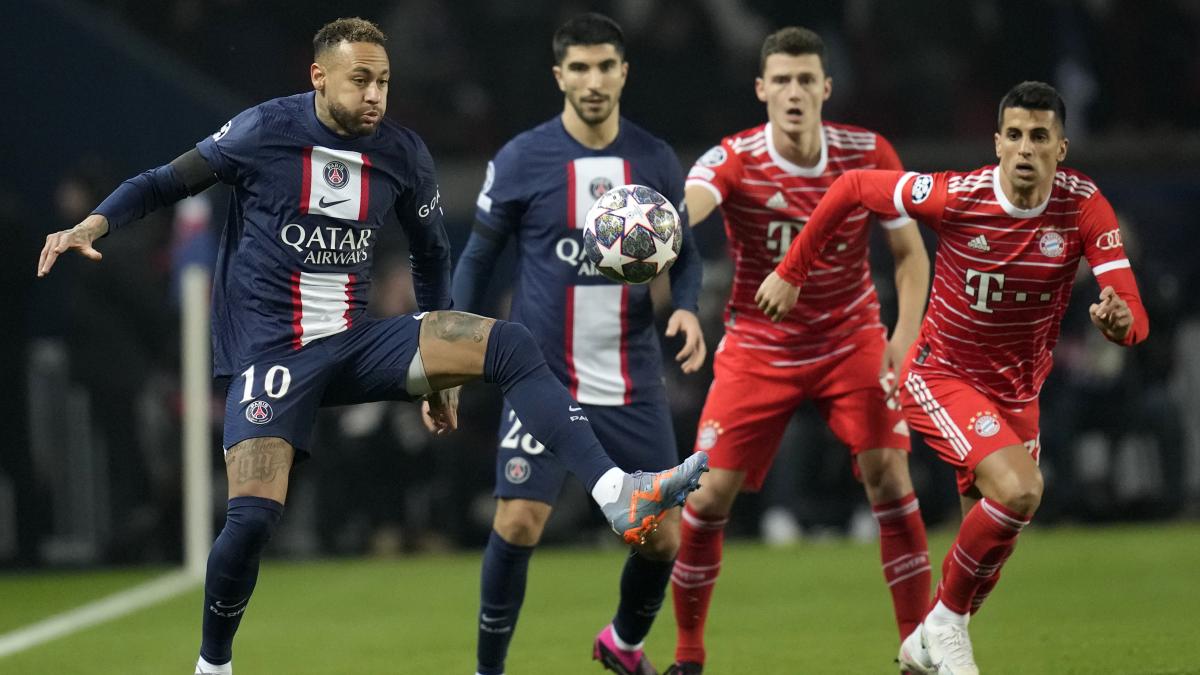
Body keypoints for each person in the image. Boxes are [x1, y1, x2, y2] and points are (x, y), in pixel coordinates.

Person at [35, 17, 708, 675]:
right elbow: (163, 182)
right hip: (276, 354)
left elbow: (431, 257)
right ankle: (214, 661)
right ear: (319, 77)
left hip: (359, 344)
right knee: (251, 522)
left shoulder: (401, 152)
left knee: (508, 344)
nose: (376, 96)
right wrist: (92, 222)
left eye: (384, 82)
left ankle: (615, 489)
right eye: (361, 81)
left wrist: (440, 379)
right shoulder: (262, 130)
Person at [757, 81, 1148, 674]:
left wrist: (1119, 320)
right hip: (941, 376)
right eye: (1013, 135)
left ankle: (925, 644)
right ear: (997, 142)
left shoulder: (1083, 205)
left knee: (988, 554)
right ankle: (940, 628)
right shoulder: (957, 196)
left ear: (1061, 148)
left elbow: (1133, 317)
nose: (1024, 148)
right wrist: (792, 270)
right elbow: (854, 186)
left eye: (1039, 137)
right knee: (1020, 492)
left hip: (1018, 393)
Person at [666, 27, 932, 675]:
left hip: (851, 337)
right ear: (761, 89)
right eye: (781, 80)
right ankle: (689, 655)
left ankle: (921, 651)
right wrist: (654, 225)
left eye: (805, 80)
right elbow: (689, 205)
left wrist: (902, 340)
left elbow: (910, 256)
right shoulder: (732, 157)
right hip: (759, 344)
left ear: (826, 89)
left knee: (890, 477)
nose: (793, 92)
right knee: (704, 497)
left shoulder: (868, 152)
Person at [453, 13, 706, 675]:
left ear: (623, 71)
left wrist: (686, 310)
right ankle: (488, 670)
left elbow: (688, 257)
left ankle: (621, 641)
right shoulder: (521, 159)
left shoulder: (652, 159)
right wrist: (449, 339)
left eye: (606, 66)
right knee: (518, 523)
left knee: (663, 539)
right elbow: (478, 258)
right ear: (559, 74)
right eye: (580, 67)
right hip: (543, 377)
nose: (593, 80)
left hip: (630, 380)